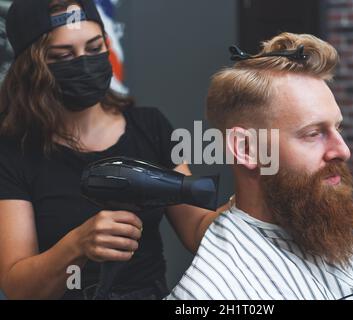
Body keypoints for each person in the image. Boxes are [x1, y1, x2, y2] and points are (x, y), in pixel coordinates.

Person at [166, 33, 353, 300]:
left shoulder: (335, 237)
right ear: (247, 149)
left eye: (337, 128)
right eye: (313, 134)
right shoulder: (213, 290)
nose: (343, 150)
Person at [0, 0, 222, 300]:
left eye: (94, 49)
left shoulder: (150, 127)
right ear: (32, 67)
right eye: (63, 55)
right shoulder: (14, 152)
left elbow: (197, 229)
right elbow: (18, 288)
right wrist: (76, 246)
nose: (84, 62)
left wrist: (251, 192)